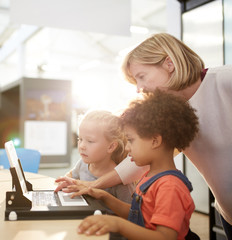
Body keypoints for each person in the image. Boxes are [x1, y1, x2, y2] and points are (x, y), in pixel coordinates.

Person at [57, 32, 232, 239]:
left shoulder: (225, 80)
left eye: (142, 76)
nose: (139, 88)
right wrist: (94, 185)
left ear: (169, 63)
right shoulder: (174, 114)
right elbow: (139, 160)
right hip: (228, 213)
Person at [77, 90, 199, 240]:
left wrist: (118, 224)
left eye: (131, 140)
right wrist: (104, 196)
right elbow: (139, 215)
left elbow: (165, 237)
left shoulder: (170, 187)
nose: (127, 147)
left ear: (155, 141)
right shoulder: (150, 177)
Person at [62, 110, 134, 204]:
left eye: (90, 141)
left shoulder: (121, 181)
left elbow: (131, 213)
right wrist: (65, 180)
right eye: (80, 139)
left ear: (111, 147)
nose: (82, 146)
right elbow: (71, 176)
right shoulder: (82, 164)